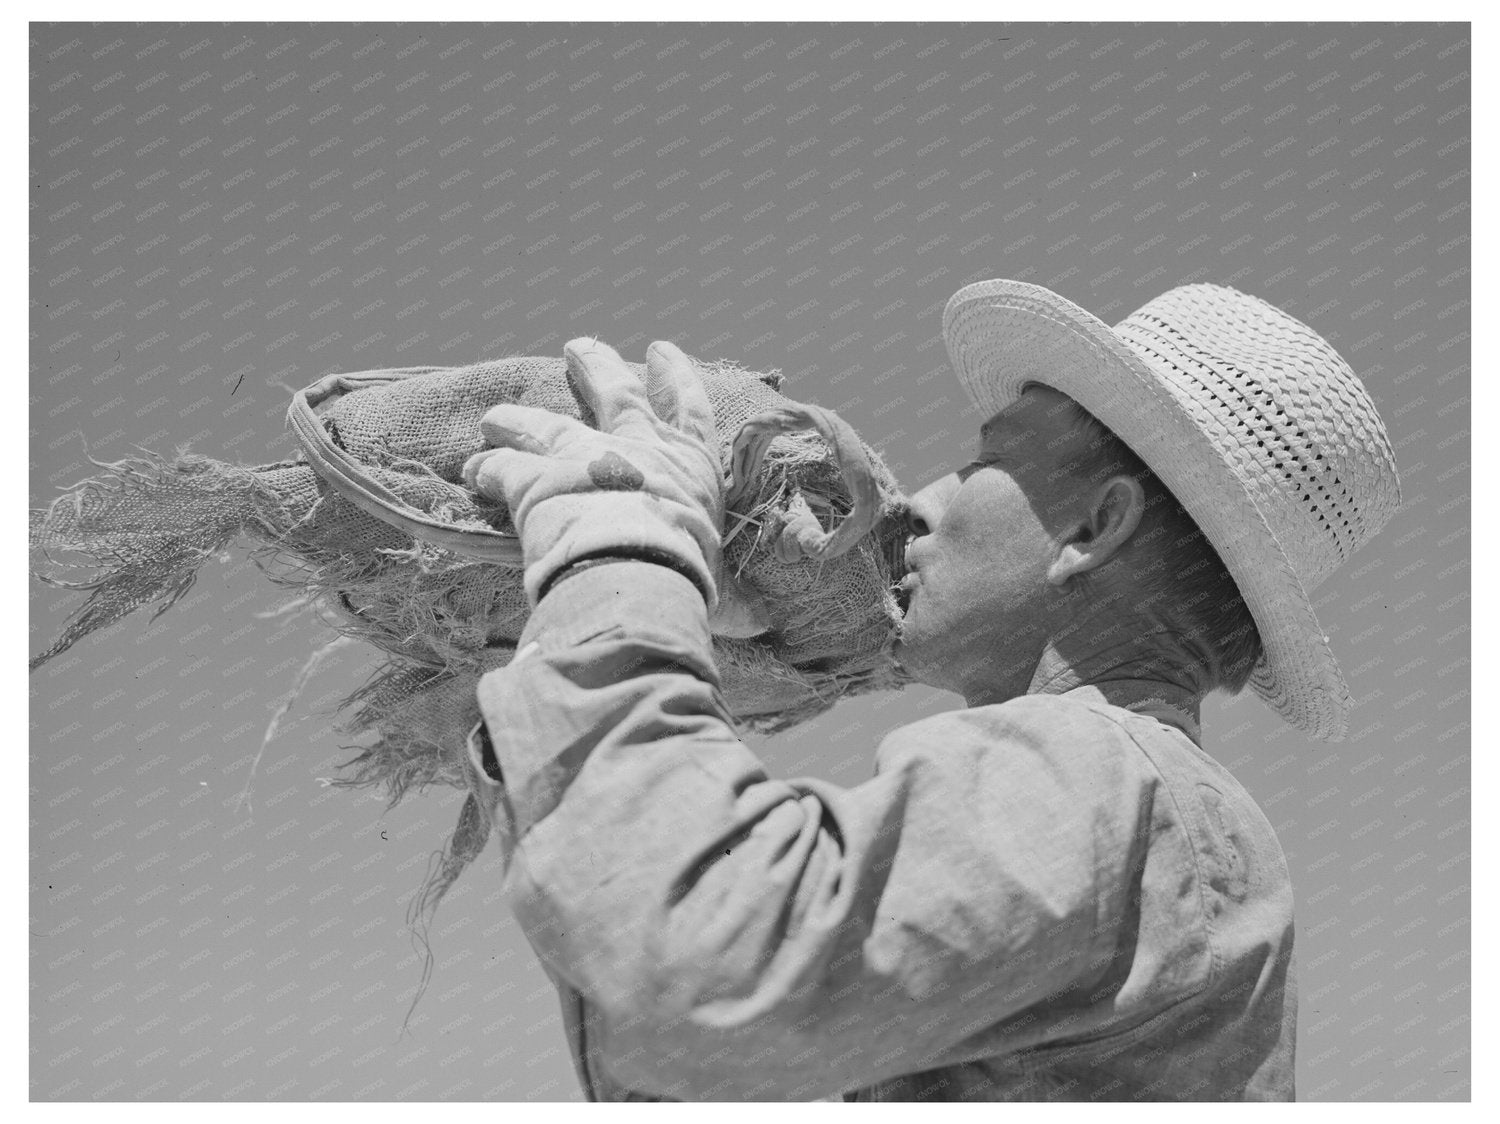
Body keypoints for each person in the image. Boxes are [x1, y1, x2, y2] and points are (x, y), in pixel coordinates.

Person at [457, 279, 1402, 1101]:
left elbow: (695, 971)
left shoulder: (1102, 773)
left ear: (1093, 529)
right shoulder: (1160, 811)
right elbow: (671, 1049)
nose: (919, 500)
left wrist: (622, 556)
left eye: (984, 461)